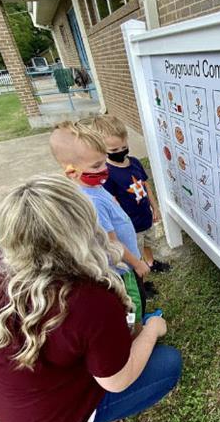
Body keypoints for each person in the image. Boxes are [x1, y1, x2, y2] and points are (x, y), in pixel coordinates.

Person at [0, 175, 182, 422]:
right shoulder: (88, 299)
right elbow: (118, 380)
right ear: (83, 230)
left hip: (4, 400)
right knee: (168, 363)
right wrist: (152, 329)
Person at [49, 120, 149, 323]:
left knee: (134, 298)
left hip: (124, 264)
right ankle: (135, 331)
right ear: (71, 171)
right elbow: (112, 243)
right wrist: (137, 263)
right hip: (122, 268)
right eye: (97, 165)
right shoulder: (92, 201)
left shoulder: (93, 187)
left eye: (104, 161)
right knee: (132, 303)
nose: (105, 168)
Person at [90, 115, 171, 276]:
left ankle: (150, 262)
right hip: (130, 224)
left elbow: (146, 185)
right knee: (135, 250)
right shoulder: (107, 173)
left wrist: (155, 207)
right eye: (113, 150)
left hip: (145, 217)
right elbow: (112, 201)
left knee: (149, 242)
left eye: (123, 147)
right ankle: (140, 275)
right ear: (101, 149)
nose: (120, 152)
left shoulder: (134, 162)